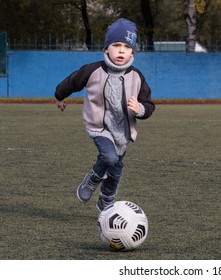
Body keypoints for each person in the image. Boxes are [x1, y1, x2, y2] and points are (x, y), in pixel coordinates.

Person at [54, 18, 155, 211]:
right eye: (116, 45)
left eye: (126, 47)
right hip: (99, 126)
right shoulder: (93, 71)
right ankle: (92, 179)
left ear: (132, 52)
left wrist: (140, 109)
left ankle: (106, 198)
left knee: (116, 169)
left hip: (123, 131)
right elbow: (72, 82)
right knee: (109, 157)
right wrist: (59, 96)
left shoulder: (137, 77)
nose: (121, 50)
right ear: (106, 49)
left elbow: (149, 104)